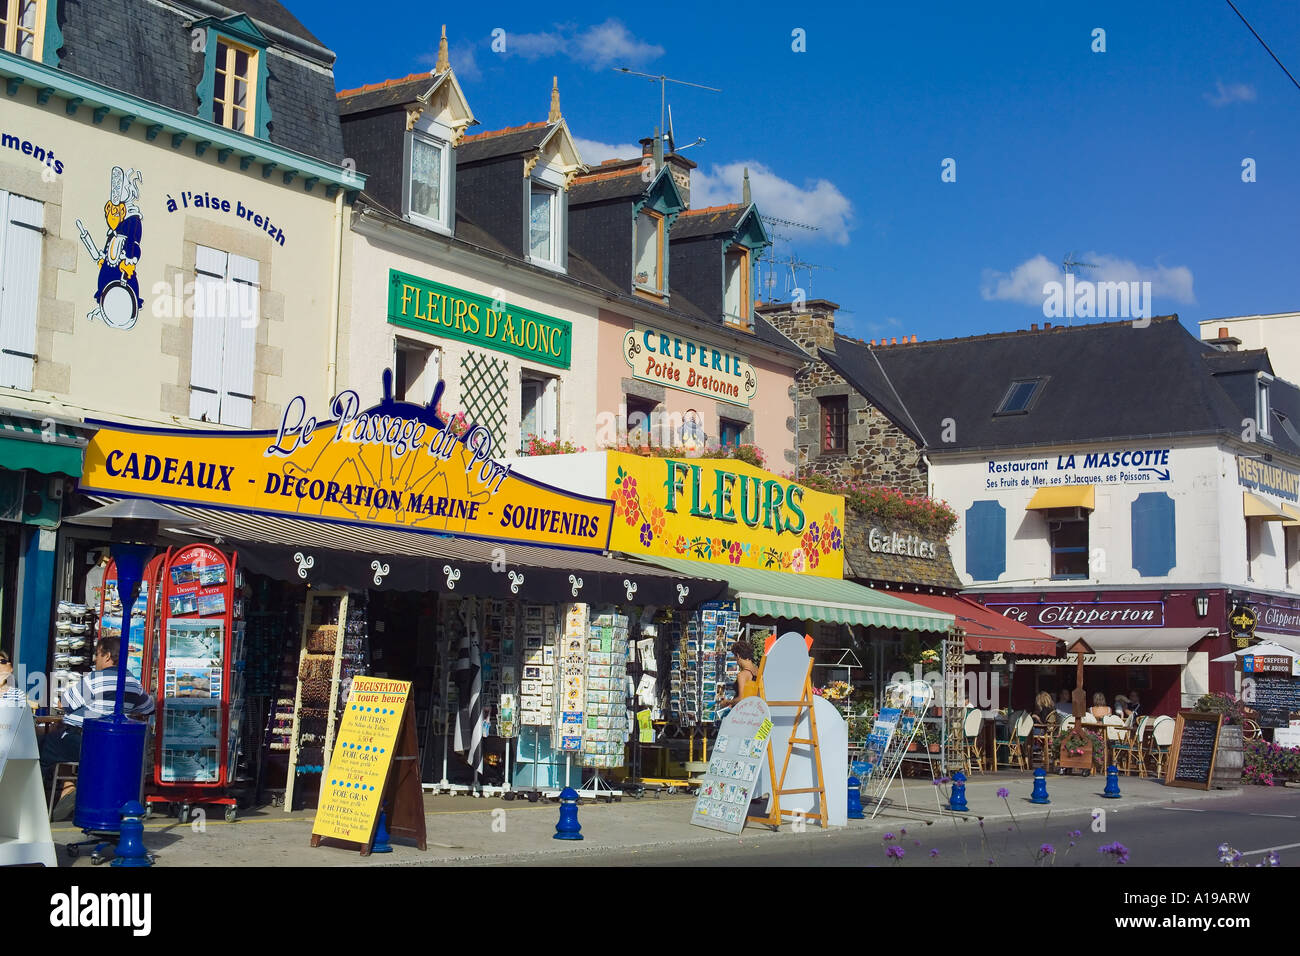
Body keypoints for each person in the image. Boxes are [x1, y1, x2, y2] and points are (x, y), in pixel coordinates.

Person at [40, 636, 154, 818]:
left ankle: (36, 805)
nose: (95, 659)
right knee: (59, 737)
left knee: (41, 749)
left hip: (85, 741)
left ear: (107, 656)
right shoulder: (133, 682)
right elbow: (149, 707)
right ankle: (68, 789)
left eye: (98, 654)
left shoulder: (94, 679)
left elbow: (65, 703)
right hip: (114, 746)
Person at [720, 640, 760, 709]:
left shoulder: (742, 675)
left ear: (738, 656)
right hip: (755, 709)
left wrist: (727, 702)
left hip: (744, 713)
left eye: (735, 657)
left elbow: (741, 698)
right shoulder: (758, 670)